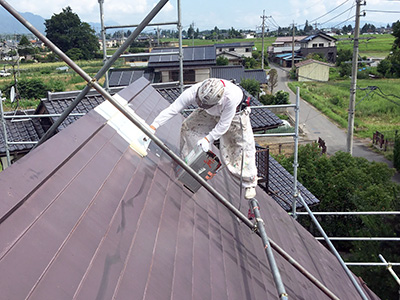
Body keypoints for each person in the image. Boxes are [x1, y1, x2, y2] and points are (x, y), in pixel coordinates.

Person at [150, 78, 257, 199]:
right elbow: (173, 109)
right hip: (210, 112)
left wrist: (208, 139)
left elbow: (223, 124)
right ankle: (190, 163)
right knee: (189, 128)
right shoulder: (194, 92)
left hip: (236, 115)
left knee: (238, 147)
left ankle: (249, 182)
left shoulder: (231, 97)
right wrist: (154, 126)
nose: (201, 105)